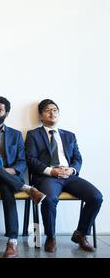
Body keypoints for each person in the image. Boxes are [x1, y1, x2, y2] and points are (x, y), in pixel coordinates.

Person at [0, 96, 46, 258]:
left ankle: (12, 241)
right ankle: (28, 189)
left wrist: (8, 171)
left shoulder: (16, 134)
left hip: (9, 178)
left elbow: (22, 162)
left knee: (6, 186)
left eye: (0, 110)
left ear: (7, 113)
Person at [25, 99, 103, 252]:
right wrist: (50, 171)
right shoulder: (33, 134)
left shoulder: (69, 136)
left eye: (55, 110)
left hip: (69, 176)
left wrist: (72, 170)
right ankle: (51, 237)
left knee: (96, 197)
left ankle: (80, 234)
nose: (52, 112)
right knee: (49, 199)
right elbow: (31, 159)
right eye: (48, 110)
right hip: (48, 177)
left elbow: (77, 158)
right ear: (41, 115)